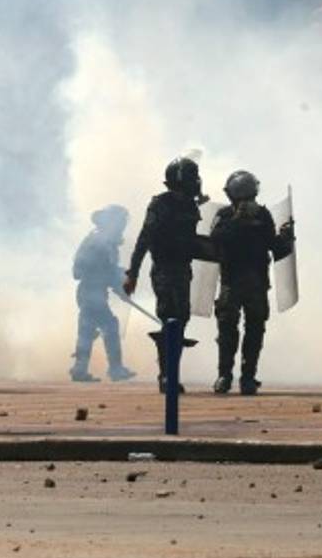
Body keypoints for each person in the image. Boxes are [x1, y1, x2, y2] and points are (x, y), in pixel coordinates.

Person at [123, 157, 215, 393]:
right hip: (164, 269)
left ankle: (171, 373)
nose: (197, 182)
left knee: (181, 319)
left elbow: (192, 241)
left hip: (183, 270)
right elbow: (144, 239)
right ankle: (166, 376)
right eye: (193, 177)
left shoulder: (190, 206)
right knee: (169, 318)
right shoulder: (160, 205)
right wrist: (132, 273)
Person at [209, 170, 295, 396]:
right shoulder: (225, 215)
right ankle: (225, 375)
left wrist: (286, 237)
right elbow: (215, 241)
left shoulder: (263, 216)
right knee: (227, 329)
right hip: (231, 282)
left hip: (256, 283)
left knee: (255, 330)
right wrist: (238, 220)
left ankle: (248, 377)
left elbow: (276, 249)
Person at [69, 205, 136, 382]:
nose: (122, 225)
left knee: (87, 330)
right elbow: (81, 270)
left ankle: (80, 369)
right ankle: (114, 369)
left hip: (94, 292)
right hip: (91, 291)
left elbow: (110, 270)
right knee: (108, 326)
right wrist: (114, 279)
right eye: (119, 221)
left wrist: (118, 281)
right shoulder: (100, 242)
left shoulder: (102, 241)